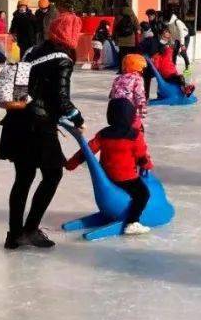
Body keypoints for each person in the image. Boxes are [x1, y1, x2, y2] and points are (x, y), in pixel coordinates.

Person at [0, 12, 85, 250]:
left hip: (16, 121)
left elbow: (19, 90)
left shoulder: (32, 51)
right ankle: (30, 229)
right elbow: (61, 99)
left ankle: (14, 235)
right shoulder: (63, 59)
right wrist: (77, 117)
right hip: (38, 126)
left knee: (23, 179)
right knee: (53, 174)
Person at [65, 97, 154, 235]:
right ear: (130, 116)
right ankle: (133, 222)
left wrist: (71, 164)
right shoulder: (135, 136)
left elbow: (87, 151)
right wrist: (148, 166)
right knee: (143, 194)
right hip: (127, 178)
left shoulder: (103, 134)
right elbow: (142, 157)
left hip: (107, 177)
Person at [110, 53, 149, 132]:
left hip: (116, 108)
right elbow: (139, 95)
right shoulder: (138, 79)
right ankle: (136, 141)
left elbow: (113, 94)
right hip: (130, 109)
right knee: (136, 129)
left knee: (119, 129)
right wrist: (142, 110)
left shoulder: (117, 79)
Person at [151, 28, 195, 96]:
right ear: (160, 36)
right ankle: (185, 89)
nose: (166, 39)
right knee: (180, 78)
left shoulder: (169, 48)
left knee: (180, 77)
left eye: (167, 37)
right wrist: (158, 74)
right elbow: (156, 64)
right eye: (164, 37)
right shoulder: (158, 50)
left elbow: (171, 62)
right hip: (166, 74)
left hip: (172, 72)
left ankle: (186, 87)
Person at [112, 7, 140, 73]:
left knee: (122, 56)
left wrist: (114, 37)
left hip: (121, 40)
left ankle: (121, 70)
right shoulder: (133, 16)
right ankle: (130, 69)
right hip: (131, 41)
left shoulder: (118, 17)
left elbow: (115, 28)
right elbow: (138, 28)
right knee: (130, 56)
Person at [166, 9, 191, 73]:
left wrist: (182, 44)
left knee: (183, 52)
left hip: (185, 37)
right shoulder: (169, 24)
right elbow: (171, 34)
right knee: (174, 53)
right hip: (177, 38)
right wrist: (172, 42)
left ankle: (188, 68)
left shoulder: (177, 21)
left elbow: (181, 33)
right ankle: (173, 68)